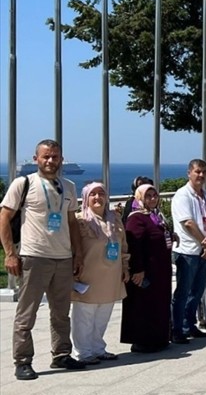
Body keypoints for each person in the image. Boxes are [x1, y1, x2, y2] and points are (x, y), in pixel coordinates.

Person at [1, 139, 86, 380]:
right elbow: (4, 218)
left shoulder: (68, 186)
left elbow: (72, 223)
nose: (50, 161)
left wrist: (77, 254)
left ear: (61, 159)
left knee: (61, 312)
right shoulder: (24, 184)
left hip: (62, 258)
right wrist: (10, 253)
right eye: (46, 156)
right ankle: (23, 360)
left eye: (55, 157)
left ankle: (61, 354)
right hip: (34, 257)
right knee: (27, 313)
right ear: (36, 158)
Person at [71, 182, 129, 363]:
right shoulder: (80, 220)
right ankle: (83, 352)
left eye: (101, 193)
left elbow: (123, 246)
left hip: (111, 275)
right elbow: (72, 247)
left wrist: (125, 267)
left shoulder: (115, 219)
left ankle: (98, 348)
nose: (97, 198)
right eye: (93, 194)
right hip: (88, 274)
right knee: (84, 315)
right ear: (86, 198)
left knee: (104, 314)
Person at [170, 159, 206, 344]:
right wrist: (205, 245)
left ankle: (190, 325)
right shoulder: (183, 195)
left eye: (204, 171)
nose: (201, 175)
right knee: (183, 292)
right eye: (197, 171)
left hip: (203, 251)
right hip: (188, 251)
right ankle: (177, 328)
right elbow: (188, 223)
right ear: (189, 172)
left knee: (197, 292)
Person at [121, 184, 173, 353]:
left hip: (160, 269)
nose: (152, 199)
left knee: (158, 304)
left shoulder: (155, 216)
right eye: (148, 196)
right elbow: (134, 244)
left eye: (154, 195)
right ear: (139, 198)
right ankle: (142, 340)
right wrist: (138, 269)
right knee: (143, 305)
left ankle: (159, 338)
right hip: (145, 269)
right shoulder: (136, 218)